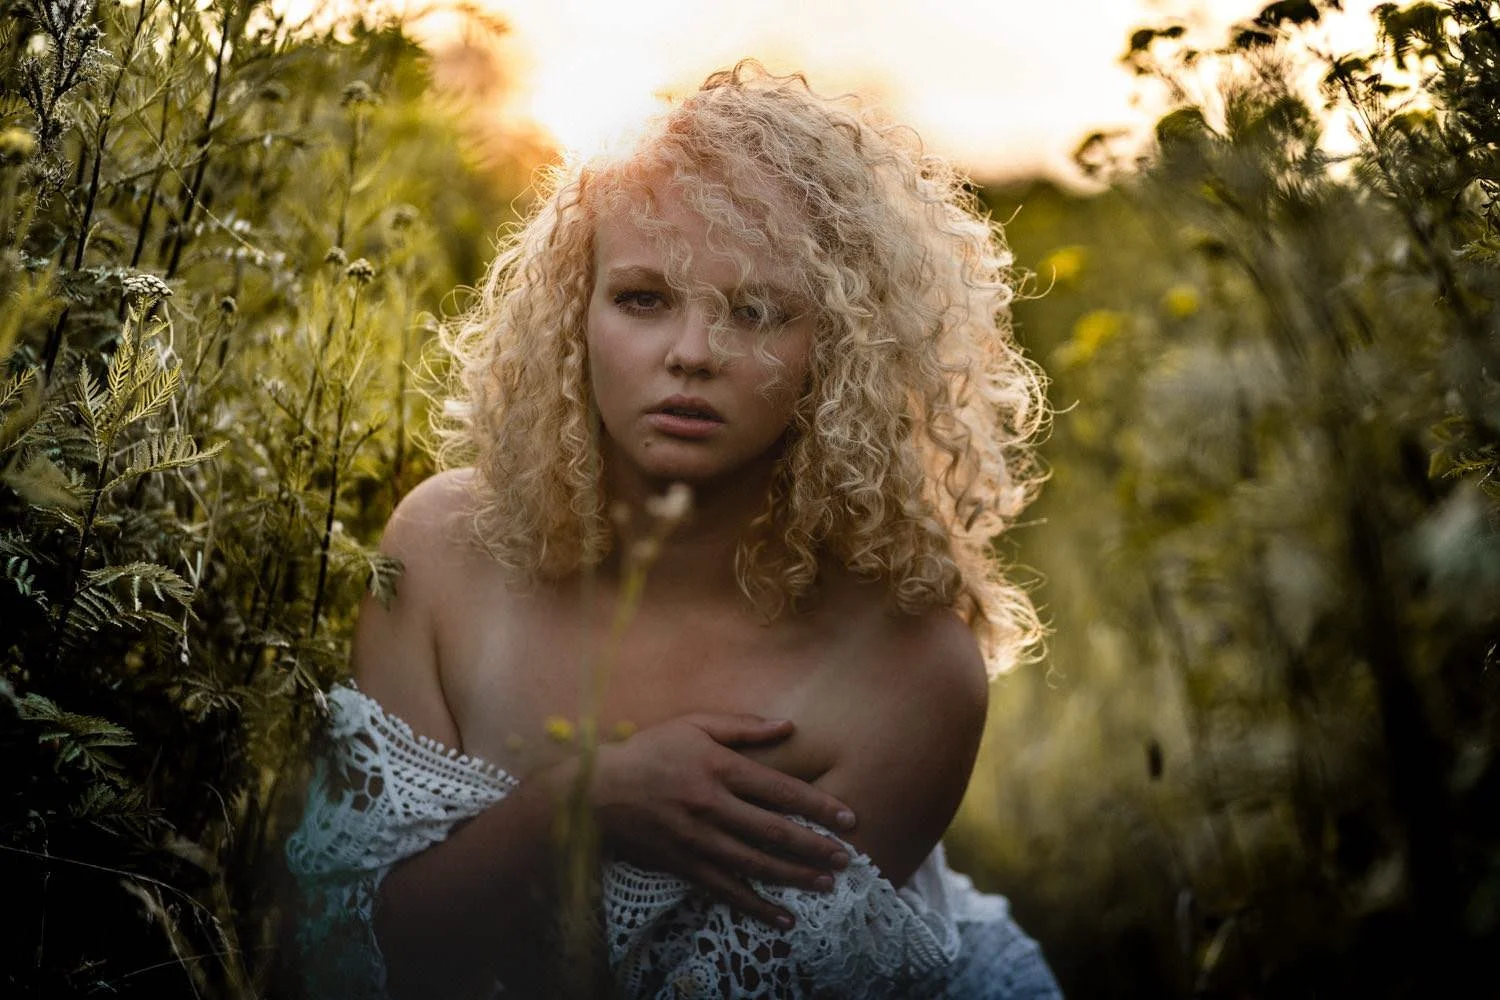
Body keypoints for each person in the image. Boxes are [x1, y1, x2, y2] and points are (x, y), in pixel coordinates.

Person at [286, 62, 1062, 999]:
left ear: (841, 350)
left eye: (757, 310)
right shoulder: (443, 551)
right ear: (576, 313)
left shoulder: (909, 665)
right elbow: (348, 950)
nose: (692, 353)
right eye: (644, 299)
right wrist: (586, 801)